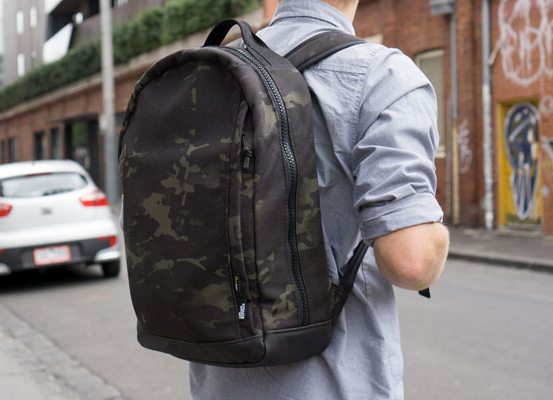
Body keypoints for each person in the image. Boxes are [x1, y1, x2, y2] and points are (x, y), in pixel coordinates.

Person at [189, 0, 450, 398]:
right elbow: (411, 263)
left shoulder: (208, 75)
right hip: (333, 384)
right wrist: (436, 234)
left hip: (218, 381)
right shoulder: (381, 76)